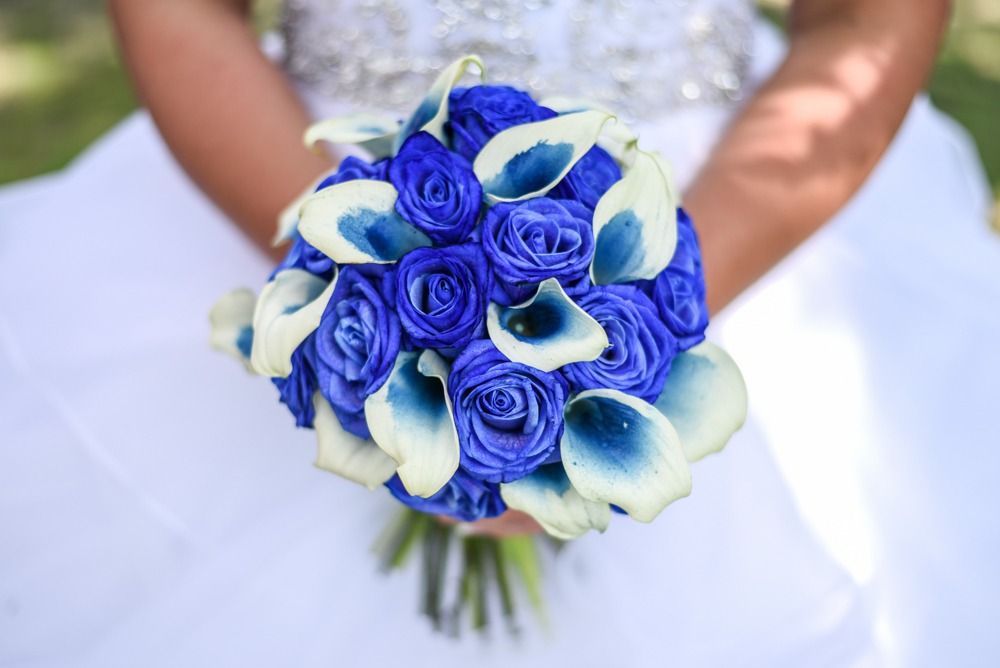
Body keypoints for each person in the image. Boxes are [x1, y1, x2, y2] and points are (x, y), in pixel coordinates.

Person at [1, 0, 998, 665]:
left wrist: (649, 303)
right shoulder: (346, 251)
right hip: (292, 172)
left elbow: (871, 16)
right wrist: (359, 279)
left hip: (725, 209)